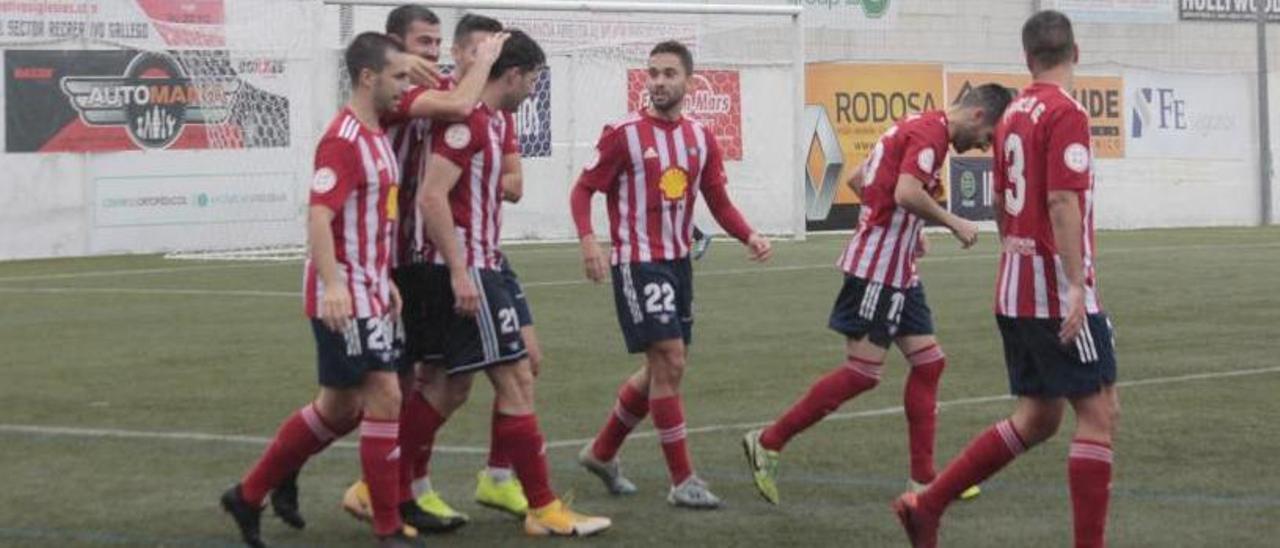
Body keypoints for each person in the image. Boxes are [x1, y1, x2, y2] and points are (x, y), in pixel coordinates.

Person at [893, 10, 1118, 548]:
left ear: (1027, 58)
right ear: (1076, 53)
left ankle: (928, 505)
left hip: (1013, 284)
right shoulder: (1066, 113)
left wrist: (1016, 252)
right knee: (1100, 412)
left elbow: (997, 199)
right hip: (1052, 290)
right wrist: (1075, 286)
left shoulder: (1013, 113)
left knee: (1039, 417)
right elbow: (1063, 199)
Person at [741, 84, 1013, 505]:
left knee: (929, 364)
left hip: (900, 269)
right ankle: (768, 440)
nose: (981, 147)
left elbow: (858, 180)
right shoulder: (932, 136)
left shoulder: (916, 126)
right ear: (979, 115)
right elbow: (905, 193)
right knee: (863, 373)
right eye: (988, 137)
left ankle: (924, 481)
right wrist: (952, 221)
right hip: (878, 271)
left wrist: (906, 229)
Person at [219, 32, 423, 548]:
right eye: (398, 76)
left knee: (338, 409)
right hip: (345, 293)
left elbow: (373, 217)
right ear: (367, 77)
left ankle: (249, 493)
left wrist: (386, 281)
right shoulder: (345, 138)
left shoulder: (377, 134)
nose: (405, 86)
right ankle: (387, 528)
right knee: (385, 394)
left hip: (371, 289)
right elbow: (319, 216)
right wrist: (334, 284)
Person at [414, 29, 612, 537]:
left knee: (459, 385)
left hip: (484, 265)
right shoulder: (467, 124)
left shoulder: (491, 121)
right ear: (512, 75)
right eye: (533, 79)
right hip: (469, 268)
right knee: (510, 379)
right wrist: (459, 270)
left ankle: (392, 483)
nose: (533, 89)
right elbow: (432, 197)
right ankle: (541, 505)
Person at [570, 40, 773, 509]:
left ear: (689, 81)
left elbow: (718, 201)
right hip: (638, 262)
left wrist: (749, 235)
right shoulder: (622, 133)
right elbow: (583, 191)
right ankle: (683, 480)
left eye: (668, 74)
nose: (658, 81)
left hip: (679, 263)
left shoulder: (700, 138)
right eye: (653, 73)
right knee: (671, 360)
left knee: (658, 369)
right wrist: (588, 241)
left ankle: (602, 453)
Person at [338, 8, 510, 533]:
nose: (432, 51)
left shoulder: (419, 93)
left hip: (408, 258)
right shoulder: (404, 94)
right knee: (359, 399)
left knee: (416, 383)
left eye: (439, 41)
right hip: (392, 259)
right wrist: (483, 60)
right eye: (423, 41)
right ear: (395, 45)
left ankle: (409, 488)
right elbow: (461, 102)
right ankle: (373, 490)